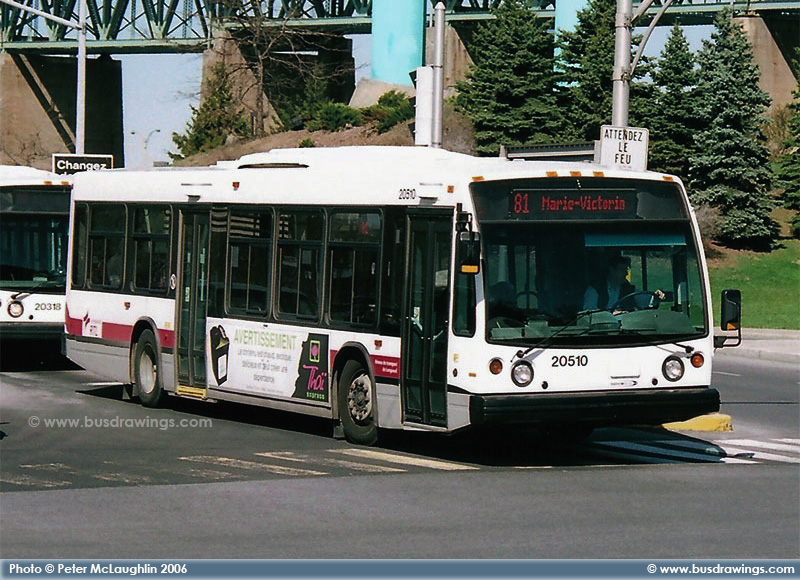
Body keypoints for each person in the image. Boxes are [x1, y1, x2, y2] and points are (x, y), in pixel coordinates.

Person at [583, 256, 664, 313]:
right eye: (622, 270)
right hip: (602, 330)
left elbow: (643, 301)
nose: (626, 273)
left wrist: (655, 297)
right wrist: (610, 315)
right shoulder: (595, 290)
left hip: (627, 328)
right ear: (612, 270)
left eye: (626, 270)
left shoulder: (629, 289)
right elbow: (589, 311)